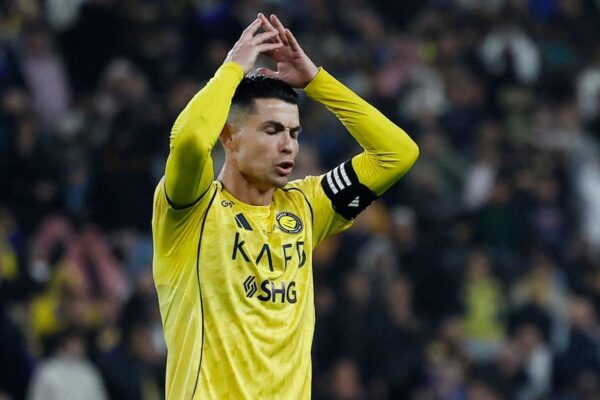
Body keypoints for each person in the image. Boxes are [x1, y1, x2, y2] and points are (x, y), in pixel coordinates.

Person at [152, 13, 419, 399]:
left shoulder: (306, 206)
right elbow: (191, 140)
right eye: (272, 130)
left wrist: (316, 82)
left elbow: (397, 154)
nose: (288, 146)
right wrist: (232, 70)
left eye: (294, 133)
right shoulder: (190, 208)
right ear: (229, 137)